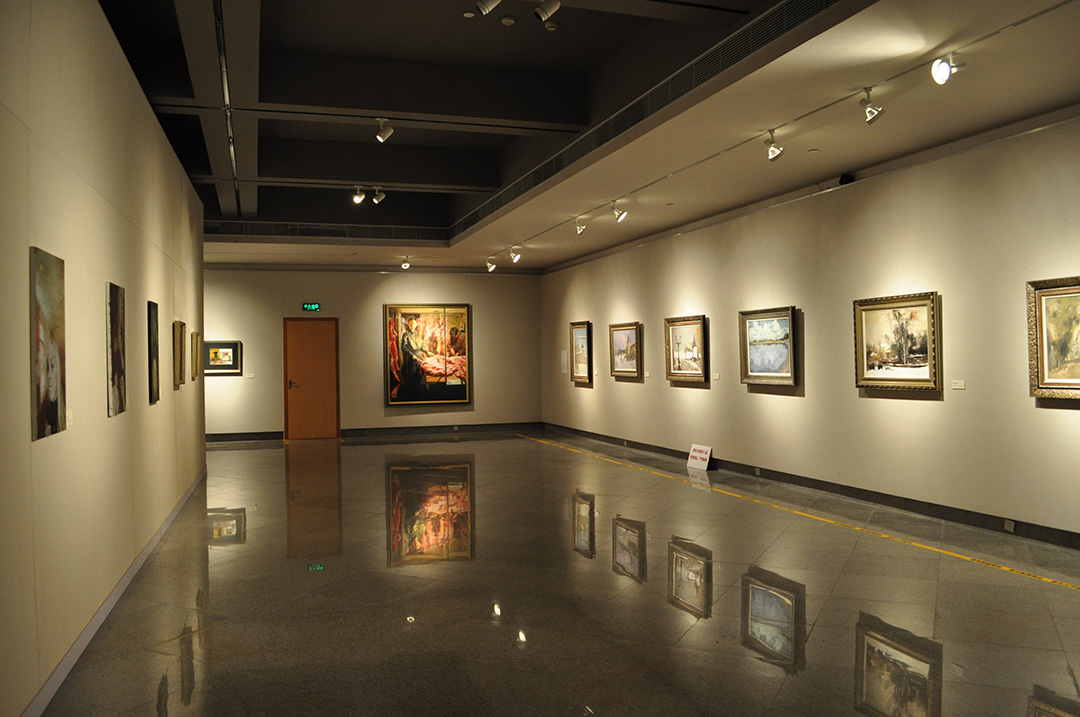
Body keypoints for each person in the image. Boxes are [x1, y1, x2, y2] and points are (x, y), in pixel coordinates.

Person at [398, 314, 428, 395]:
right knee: (410, 378)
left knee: (419, 376)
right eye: (410, 324)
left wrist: (427, 352)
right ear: (408, 325)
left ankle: (419, 394)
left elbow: (421, 345)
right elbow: (404, 347)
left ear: (416, 324)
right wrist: (412, 355)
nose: (412, 325)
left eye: (414, 324)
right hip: (409, 359)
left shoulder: (417, 334)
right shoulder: (405, 334)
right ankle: (410, 395)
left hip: (418, 357)